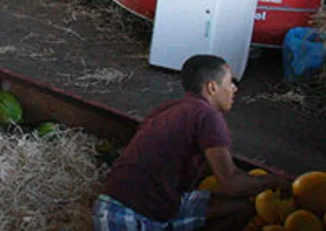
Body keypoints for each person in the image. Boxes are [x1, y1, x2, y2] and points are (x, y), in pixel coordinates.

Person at [96, 55, 285, 231]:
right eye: (229, 83)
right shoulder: (208, 116)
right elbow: (231, 183)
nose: (235, 89)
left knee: (240, 207)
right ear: (212, 87)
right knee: (239, 199)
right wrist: (276, 181)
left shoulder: (170, 108)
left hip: (121, 205)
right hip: (125, 217)